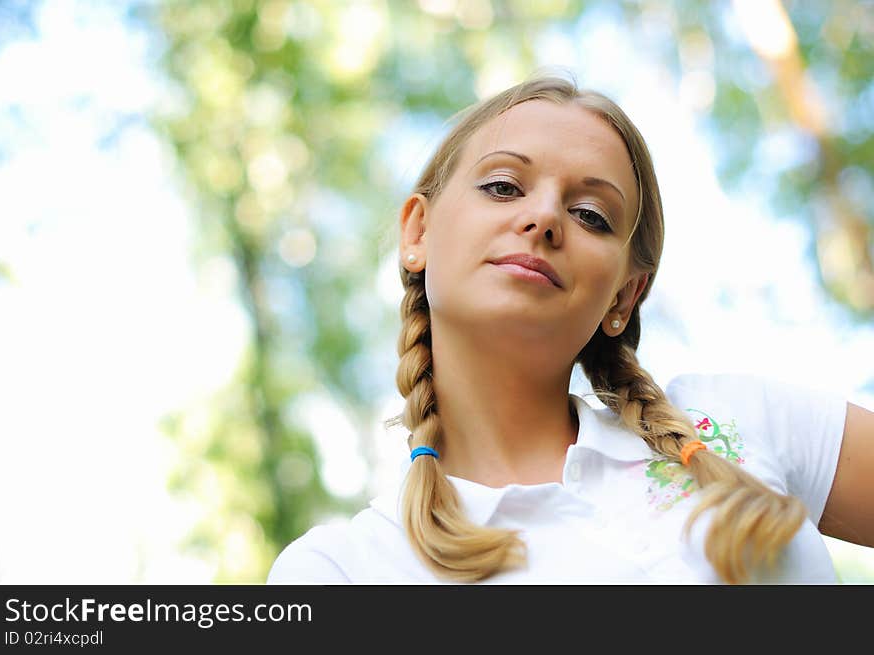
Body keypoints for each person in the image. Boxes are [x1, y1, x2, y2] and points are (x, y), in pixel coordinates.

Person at [267, 73, 874, 584]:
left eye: (590, 215)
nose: (543, 217)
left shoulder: (745, 418)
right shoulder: (342, 572)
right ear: (418, 233)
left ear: (625, 295)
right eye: (503, 187)